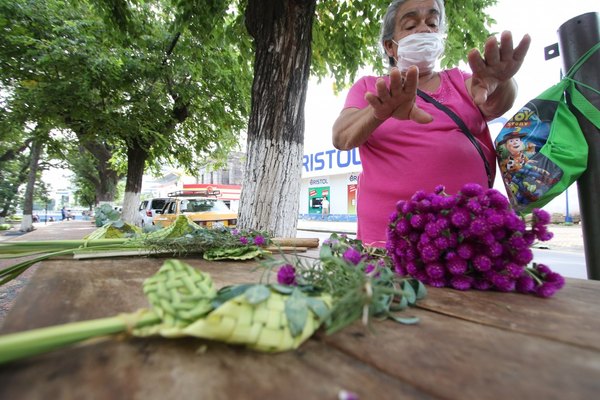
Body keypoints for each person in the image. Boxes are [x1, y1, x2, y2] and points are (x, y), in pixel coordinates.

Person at [332, 0, 530, 247]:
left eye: (432, 23)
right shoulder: (370, 87)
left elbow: (496, 103)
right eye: (411, 24)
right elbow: (341, 137)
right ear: (390, 46)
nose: (424, 29)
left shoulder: (462, 82)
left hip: (466, 243)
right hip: (387, 242)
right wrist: (379, 111)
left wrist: (502, 81)